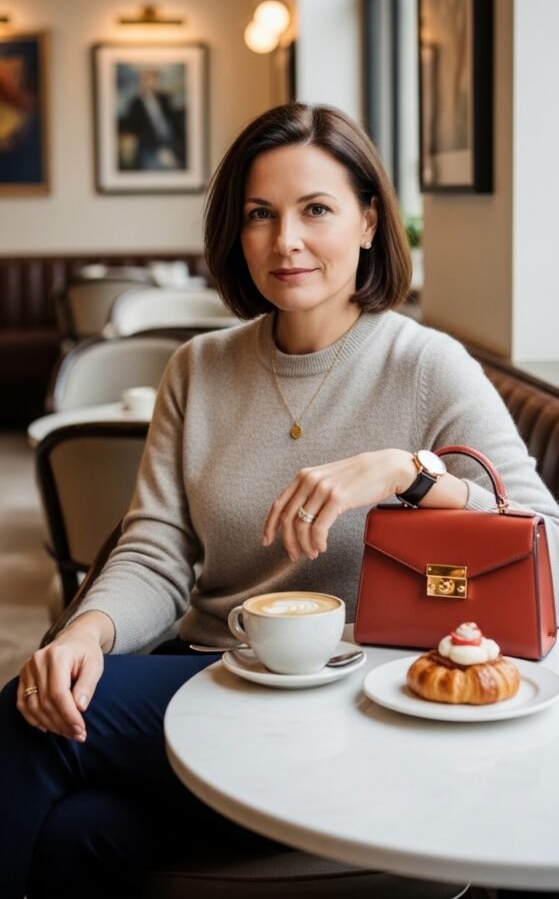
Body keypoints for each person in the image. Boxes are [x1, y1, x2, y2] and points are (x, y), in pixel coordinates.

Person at [1, 102, 558, 898]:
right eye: (259, 214)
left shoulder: (426, 365)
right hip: (211, 677)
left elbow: (546, 543)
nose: (283, 240)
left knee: (25, 719)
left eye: (315, 210)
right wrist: (87, 630)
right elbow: (155, 549)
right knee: (80, 833)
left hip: (354, 704)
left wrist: (408, 475)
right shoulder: (197, 368)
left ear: (368, 221)